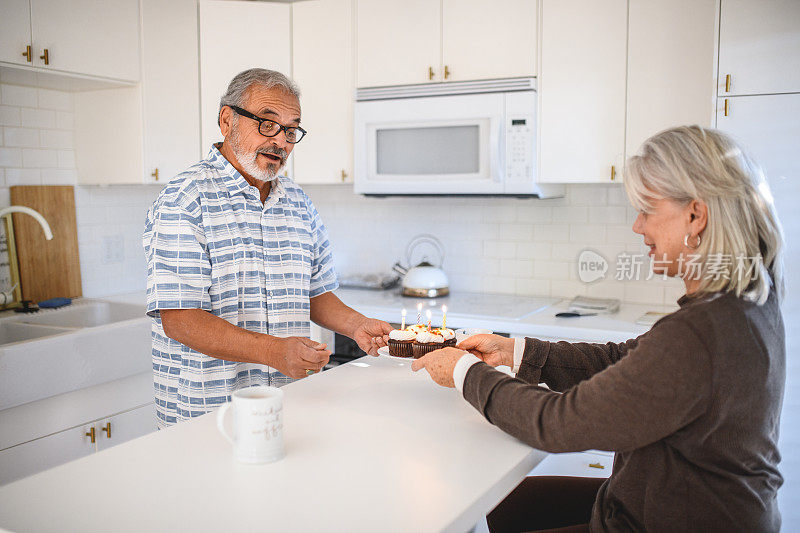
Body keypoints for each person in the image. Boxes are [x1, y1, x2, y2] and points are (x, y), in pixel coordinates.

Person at [413, 126, 786, 532]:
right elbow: (624, 361)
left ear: (695, 216)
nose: (637, 226)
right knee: (502, 503)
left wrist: (464, 373)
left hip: (673, 519)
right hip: (662, 498)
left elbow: (557, 424)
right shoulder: (742, 302)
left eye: (647, 210)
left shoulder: (704, 330)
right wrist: (515, 352)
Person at [143, 68, 392, 428]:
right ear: (227, 120)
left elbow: (315, 293)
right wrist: (273, 351)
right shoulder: (184, 200)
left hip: (289, 405)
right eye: (267, 123)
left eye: (291, 130)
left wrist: (357, 326)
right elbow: (181, 320)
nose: (281, 141)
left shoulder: (297, 201)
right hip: (209, 414)